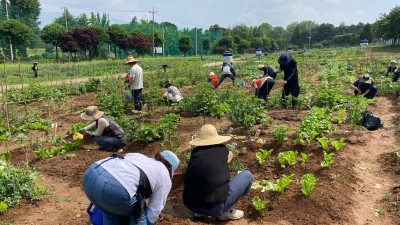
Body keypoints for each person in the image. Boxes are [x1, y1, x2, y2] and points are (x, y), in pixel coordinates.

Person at [82, 150, 180, 225]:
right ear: (170, 168)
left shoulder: (139, 157)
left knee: (110, 211)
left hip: (90, 176)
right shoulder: (164, 176)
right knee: (139, 212)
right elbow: (154, 211)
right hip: (113, 190)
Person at [183, 124, 253, 221]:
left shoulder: (195, 152)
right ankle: (225, 211)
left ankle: (199, 213)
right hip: (214, 207)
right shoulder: (223, 149)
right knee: (247, 175)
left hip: (191, 204)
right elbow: (229, 155)